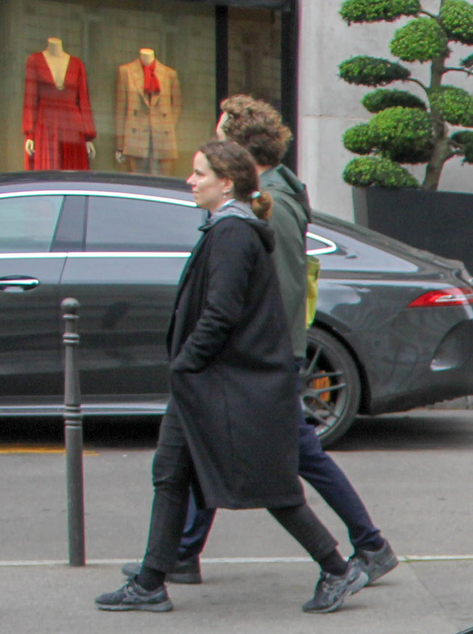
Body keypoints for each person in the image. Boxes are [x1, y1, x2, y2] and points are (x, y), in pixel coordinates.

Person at [141, 97, 399, 590]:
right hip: (264, 359)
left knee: (286, 467)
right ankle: (177, 556)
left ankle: (365, 547)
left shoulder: (266, 207)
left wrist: (262, 362)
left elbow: (275, 287)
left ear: (235, 160)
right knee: (211, 455)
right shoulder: (259, 200)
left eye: (219, 141)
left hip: (267, 360)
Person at [95, 140, 360, 614]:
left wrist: (187, 360)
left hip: (227, 382)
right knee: (170, 474)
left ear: (227, 182)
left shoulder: (233, 234)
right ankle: (151, 581)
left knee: (271, 486)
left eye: (199, 174)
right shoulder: (227, 228)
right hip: (208, 381)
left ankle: (338, 569)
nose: (190, 181)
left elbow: (221, 312)